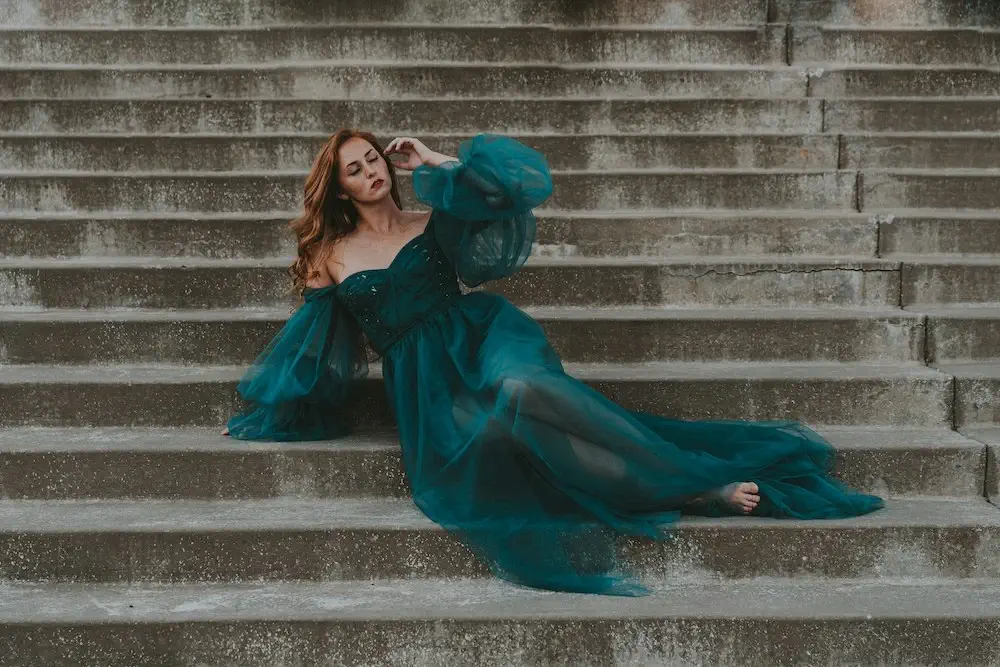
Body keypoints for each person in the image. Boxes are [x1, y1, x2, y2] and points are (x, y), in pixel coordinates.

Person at [225, 131, 883, 596]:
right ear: (338, 186)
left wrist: (436, 159)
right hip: (425, 379)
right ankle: (682, 488)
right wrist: (274, 408)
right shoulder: (332, 254)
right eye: (354, 168)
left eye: (373, 159)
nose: (370, 170)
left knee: (521, 387)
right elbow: (312, 345)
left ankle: (684, 484)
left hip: (482, 334)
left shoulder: (432, 218)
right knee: (499, 432)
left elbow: (510, 192)